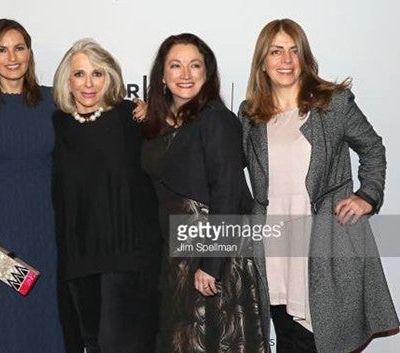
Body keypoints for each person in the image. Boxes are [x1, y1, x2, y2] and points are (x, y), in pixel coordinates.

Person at [239, 18, 399, 353]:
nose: (286, 60)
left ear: (305, 58)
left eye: (294, 51)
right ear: (263, 63)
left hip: (323, 238)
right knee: (285, 335)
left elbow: (372, 148)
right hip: (273, 241)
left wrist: (367, 195)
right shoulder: (250, 114)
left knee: (317, 339)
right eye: (276, 51)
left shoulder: (332, 104)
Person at [141, 33, 267, 353]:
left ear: (207, 73)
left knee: (211, 342)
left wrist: (212, 264)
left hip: (211, 252)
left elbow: (228, 193)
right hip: (176, 254)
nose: (186, 75)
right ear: (162, 76)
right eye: (176, 66)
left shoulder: (217, 120)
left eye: (195, 66)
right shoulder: (158, 123)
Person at [0, 19, 70, 352]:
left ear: (29, 54)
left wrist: (137, 108)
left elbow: (98, 111)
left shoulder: (54, 101)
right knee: (1, 323)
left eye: (19, 47)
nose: (12, 57)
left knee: (46, 324)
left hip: (47, 234)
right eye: (2, 49)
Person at [52, 38, 161, 353]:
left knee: (120, 344)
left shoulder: (132, 117)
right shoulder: (57, 122)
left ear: (110, 77)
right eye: (79, 74)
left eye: (97, 74)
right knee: (93, 343)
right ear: (67, 81)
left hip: (126, 256)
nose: (88, 83)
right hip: (79, 256)